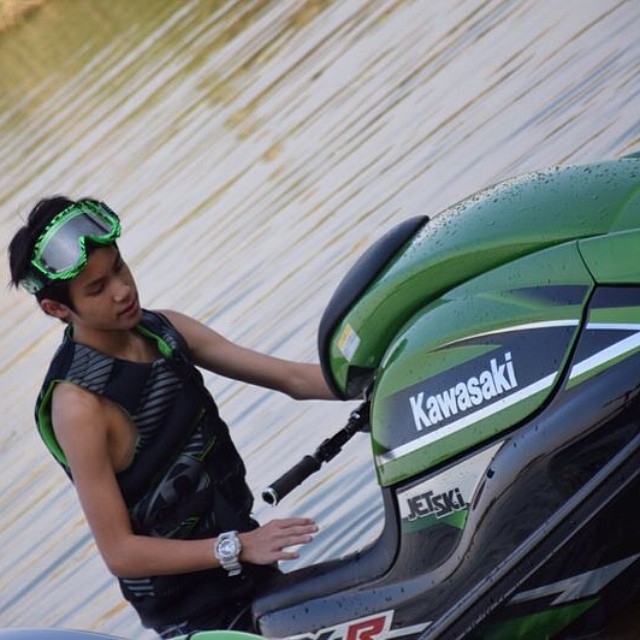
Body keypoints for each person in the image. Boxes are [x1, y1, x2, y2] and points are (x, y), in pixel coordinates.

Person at [8, 196, 337, 638]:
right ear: (57, 309)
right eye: (97, 288)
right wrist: (237, 547)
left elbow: (292, 378)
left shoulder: (164, 331)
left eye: (119, 268)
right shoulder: (79, 407)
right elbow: (119, 552)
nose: (122, 291)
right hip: (199, 618)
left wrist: (378, 376)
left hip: (255, 573)